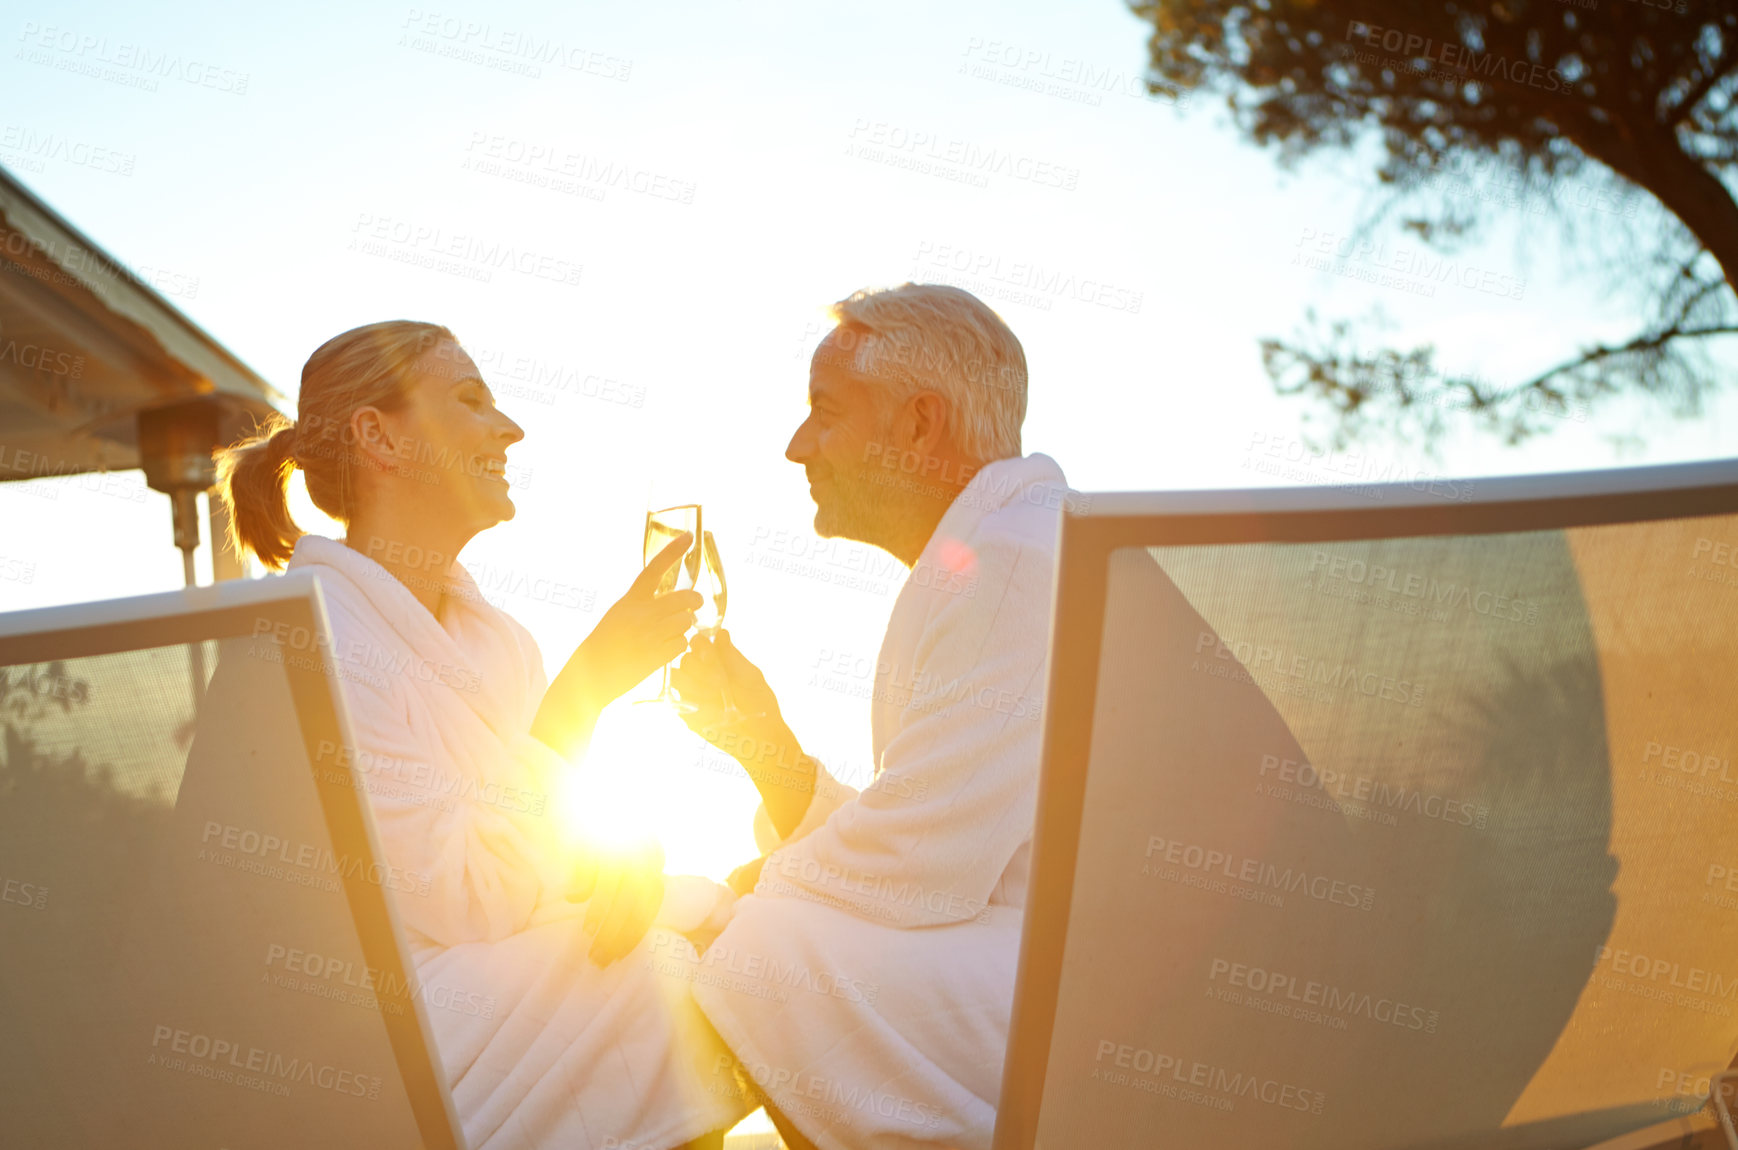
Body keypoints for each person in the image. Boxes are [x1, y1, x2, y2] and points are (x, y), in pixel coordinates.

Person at [214, 320, 751, 1150]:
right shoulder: (310, 641)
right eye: (471, 401)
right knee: (670, 982)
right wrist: (583, 693)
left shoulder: (494, 641)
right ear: (377, 435)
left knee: (746, 946)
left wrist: (622, 859)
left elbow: (546, 845)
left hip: (481, 986)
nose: (511, 429)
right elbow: (470, 896)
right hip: (362, 1044)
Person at [671, 284, 1073, 1149]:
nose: (795, 446)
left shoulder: (1009, 567)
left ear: (919, 426)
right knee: (762, 937)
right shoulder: (1013, 549)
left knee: (756, 954)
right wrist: (768, 749)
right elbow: (934, 842)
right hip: (1049, 955)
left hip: (1096, 1004)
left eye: (823, 411)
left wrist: (727, 899)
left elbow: (923, 869)